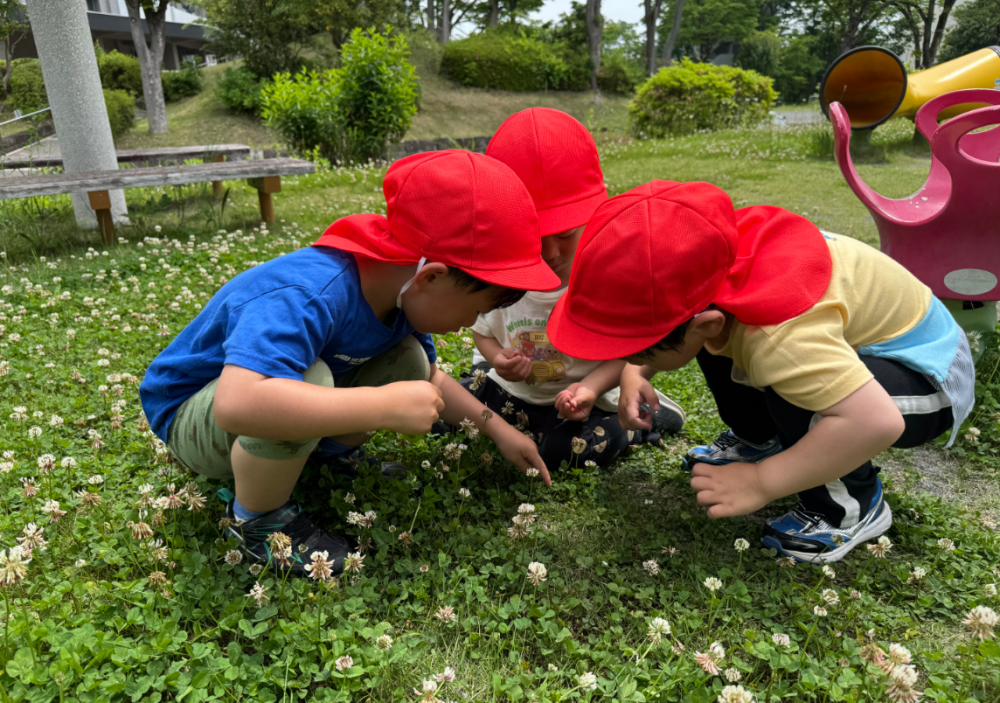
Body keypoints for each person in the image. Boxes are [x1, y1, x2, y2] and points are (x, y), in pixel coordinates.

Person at [139, 150, 562, 575]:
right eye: (476, 309)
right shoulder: (309, 292)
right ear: (431, 277)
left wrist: (499, 430)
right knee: (311, 378)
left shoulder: (401, 296)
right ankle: (258, 519)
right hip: (192, 414)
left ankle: (325, 459)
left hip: (253, 404)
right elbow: (239, 403)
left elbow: (431, 376)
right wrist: (382, 408)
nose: (471, 323)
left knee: (410, 361)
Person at [547, 180, 973, 563]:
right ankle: (760, 438)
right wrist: (636, 371)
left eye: (638, 350)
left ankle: (850, 508)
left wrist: (761, 482)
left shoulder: (781, 336)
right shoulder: (710, 266)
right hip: (852, 348)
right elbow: (685, 314)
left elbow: (875, 421)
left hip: (929, 373)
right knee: (728, 350)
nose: (631, 358)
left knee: (803, 392)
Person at [464, 108, 685, 471]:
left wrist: (592, 387)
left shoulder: (607, 276)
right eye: (535, 236)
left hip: (587, 398)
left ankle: (643, 416)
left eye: (566, 234)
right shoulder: (501, 274)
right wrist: (497, 359)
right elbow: (484, 332)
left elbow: (627, 350)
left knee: (569, 453)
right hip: (514, 392)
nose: (551, 253)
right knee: (458, 409)